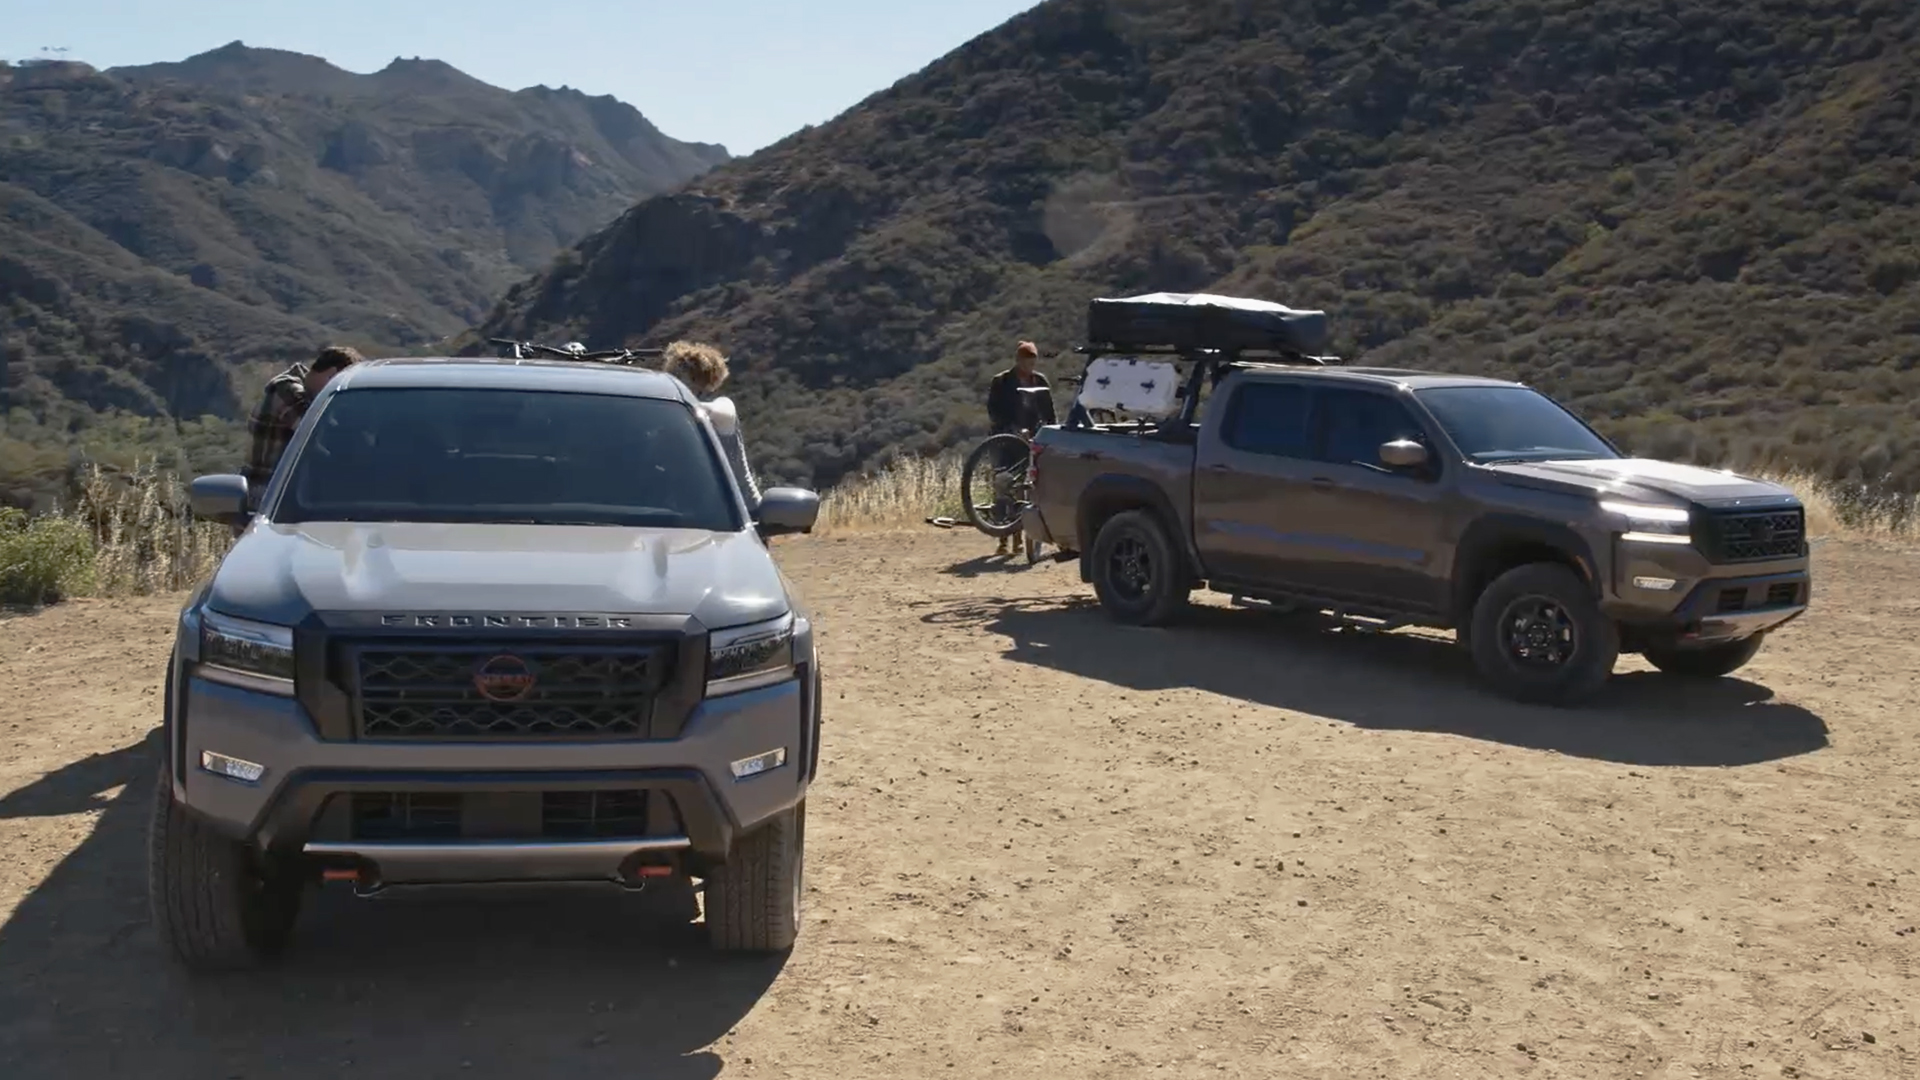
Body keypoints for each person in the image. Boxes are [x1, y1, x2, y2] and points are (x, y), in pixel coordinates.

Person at [241, 345, 363, 519]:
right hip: (264, 492)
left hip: (285, 491)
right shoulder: (286, 390)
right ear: (333, 374)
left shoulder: (304, 393)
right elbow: (316, 430)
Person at [661, 339, 762, 510]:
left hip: (743, 511)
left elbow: (719, 412)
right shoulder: (670, 416)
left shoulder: (722, 406)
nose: (677, 382)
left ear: (703, 380)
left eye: (683, 376)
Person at [984, 341, 1055, 554]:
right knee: (1003, 486)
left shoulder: (1039, 381)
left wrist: (1048, 434)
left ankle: (1021, 538)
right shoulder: (1002, 382)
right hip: (1004, 441)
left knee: (1025, 489)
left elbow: (1049, 413)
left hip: (1029, 441)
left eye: (1033, 362)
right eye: (1026, 362)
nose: (1030, 366)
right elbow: (993, 411)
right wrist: (1013, 428)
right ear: (1018, 360)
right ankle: (1003, 539)